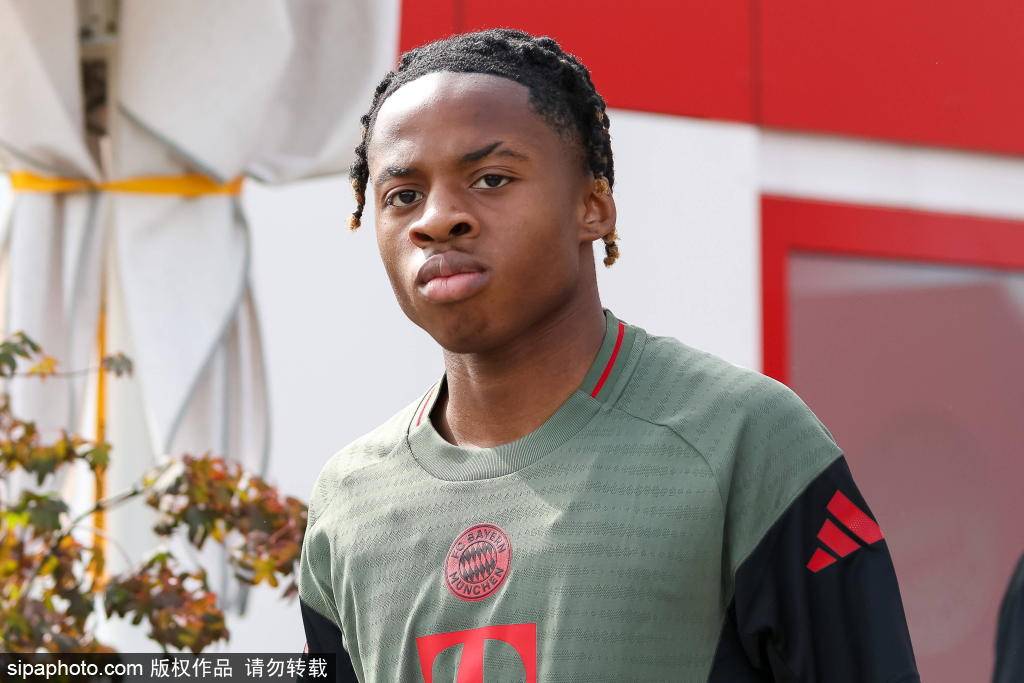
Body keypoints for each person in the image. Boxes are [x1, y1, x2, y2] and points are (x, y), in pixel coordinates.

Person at [298, 28, 920, 682]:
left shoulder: (745, 440)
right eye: (403, 196)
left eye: (491, 178)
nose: (438, 218)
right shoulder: (348, 502)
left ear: (592, 207)